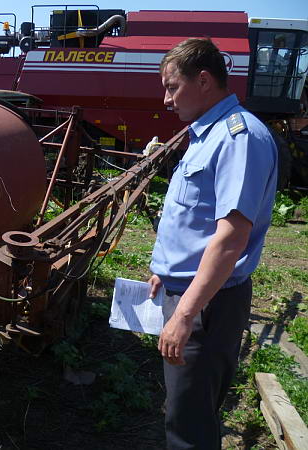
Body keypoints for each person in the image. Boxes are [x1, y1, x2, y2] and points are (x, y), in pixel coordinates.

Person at [147, 38, 277, 449]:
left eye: (172, 87)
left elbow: (230, 238)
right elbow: (195, 218)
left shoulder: (238, 138)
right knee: (183, 410)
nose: (165, 99)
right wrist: (163, 269)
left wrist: (185, 314)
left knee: (189, 428)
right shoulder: (209, 132)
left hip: (205, 306)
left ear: (203, 80)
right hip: (191, 295)